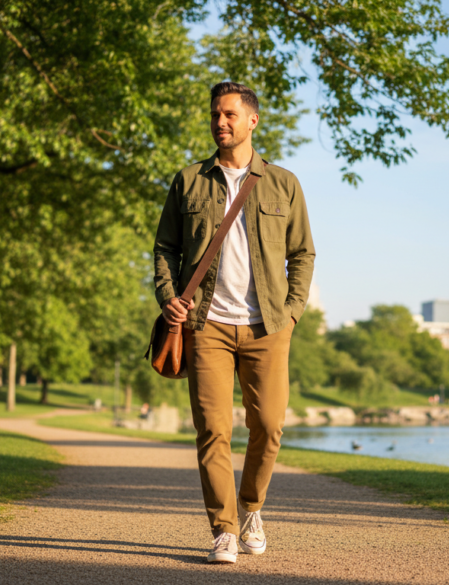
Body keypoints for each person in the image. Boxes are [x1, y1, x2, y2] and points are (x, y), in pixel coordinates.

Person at [153, 82, 315, 564]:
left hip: (268, 326)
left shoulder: (283, 183)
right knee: (212, 429)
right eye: (214, 115)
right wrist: (168, 297)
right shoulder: (188, 180)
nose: (219, 122)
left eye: (228, 114)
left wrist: (291, 312)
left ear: (252, 121)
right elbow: (166, 248)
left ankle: (251, 508)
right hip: (206, 325)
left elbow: (303, 253)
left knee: (267, 426)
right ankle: (223, 529)